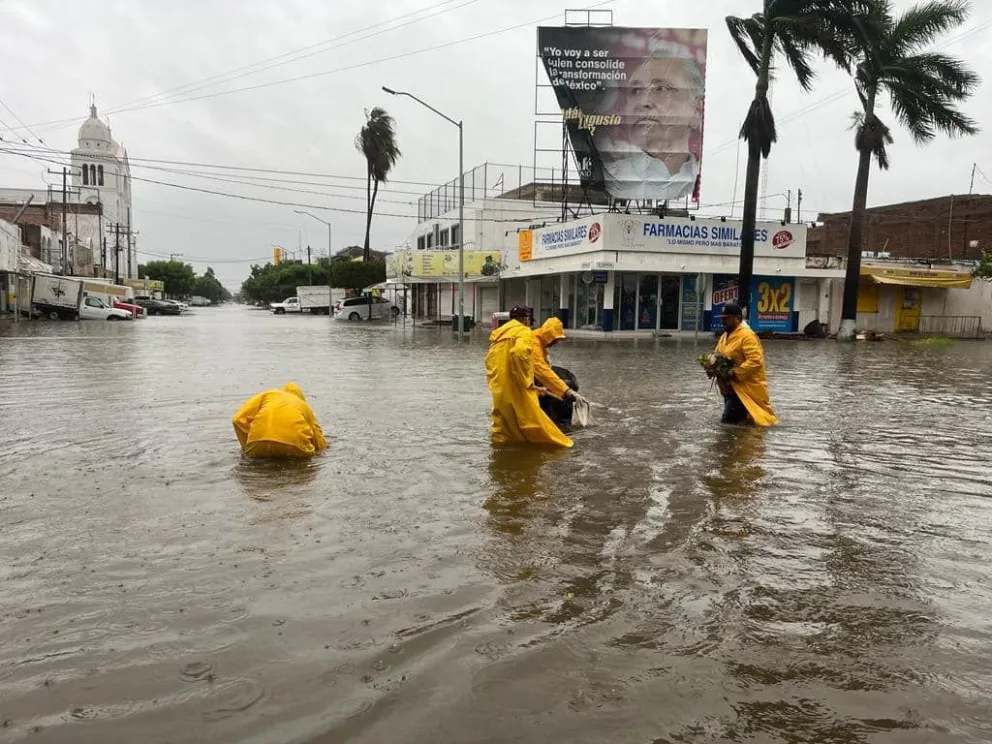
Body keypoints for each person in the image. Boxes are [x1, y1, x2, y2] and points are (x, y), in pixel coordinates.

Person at [485, 307, 572, 448]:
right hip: (518, 391)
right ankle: (565, 450)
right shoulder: (524, 332)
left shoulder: (498, 337)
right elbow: (519, 353)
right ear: (526, 319)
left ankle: (502, 461)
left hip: (499, 391)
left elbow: (489, 362)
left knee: (503, 433)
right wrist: (528, 383)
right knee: (538, 428)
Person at [713, 303, 777, 427]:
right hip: (729, 389)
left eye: (726, 318)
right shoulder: (725, 336)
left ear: (737, 318)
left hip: (743, 390)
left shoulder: (747, 336)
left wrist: (734, 373)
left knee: (727, 425)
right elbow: (717, 354)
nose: (723, 321)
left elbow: (755, 361)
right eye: (722, 318)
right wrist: (711, 366)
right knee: (741, 425)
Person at [232, 382, 328, 458]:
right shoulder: (303, 405)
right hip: (295, 447)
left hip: (257, 444)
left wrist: (247, 445)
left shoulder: (269, 394)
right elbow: (317, 438)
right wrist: (322, 450)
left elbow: (237, 419)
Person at [531, 317, 579, 427]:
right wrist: (567, 391)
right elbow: (542, 371)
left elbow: (543, 368)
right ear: (549, 335)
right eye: (555, 339)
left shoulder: (539, 341)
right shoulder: (534, 344)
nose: (556, 343)